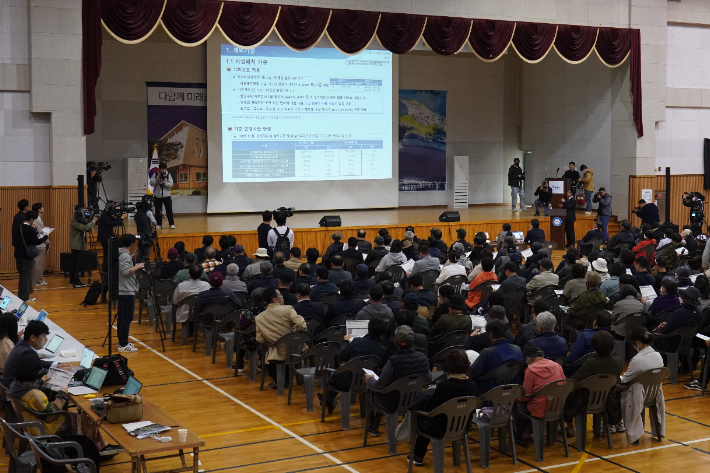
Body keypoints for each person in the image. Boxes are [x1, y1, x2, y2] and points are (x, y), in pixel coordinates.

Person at [10, 353, 112, 453]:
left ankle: (96, 447)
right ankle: (95, 449)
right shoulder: (35, 395)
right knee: (88, 419)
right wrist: (62, 394)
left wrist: (40, 382)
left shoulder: (15, 386)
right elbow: (51, 415)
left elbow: (32, 396)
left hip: (32, 424)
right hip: (47, 427)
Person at [406, 348, 477, 467]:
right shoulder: (472, 385)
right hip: (462, 427)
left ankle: (418, 456)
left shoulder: (444, 386)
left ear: (447, 366)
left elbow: (431, 408)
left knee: (422, 418)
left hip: (440, 429)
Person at [364, 325, 429, 437]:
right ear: (413, 341)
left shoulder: (393, 361)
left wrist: (369, 379)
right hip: (415, 400)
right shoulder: (423, 358)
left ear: (395, 342)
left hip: (392, 403)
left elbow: (380, 386)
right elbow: (428, 379)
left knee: (373, 392)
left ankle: (374, 425)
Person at [319, 318, 387, 414]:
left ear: (368, 328)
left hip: (347, 382)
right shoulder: (383, 349)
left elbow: (343, 355)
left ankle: (327, 399)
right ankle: (327, 399)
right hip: (369, 382)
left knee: (336, 375)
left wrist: (346, 342)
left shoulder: (357, 342)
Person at [255, 287, 307, 388]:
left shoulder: (259, 318)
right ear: (274, 299)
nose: (282, 296)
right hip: (296, 349)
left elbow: (260, 339)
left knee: (267, 353)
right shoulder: (288, 309)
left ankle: (278, 380)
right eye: (280, 295)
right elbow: (301, 325)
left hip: (278, 352)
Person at [619, 327, 664, 445]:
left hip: (638, 396)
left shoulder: (637, 360)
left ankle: (616, 424)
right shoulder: (658, 356)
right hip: (654, 394)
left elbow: (625, 380)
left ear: (637, 342)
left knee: (617, 392)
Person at [515, 344, 565, 447]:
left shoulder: (531, 370)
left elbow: (525, 396)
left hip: (539, 409)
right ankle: (528, 433)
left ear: (528, 359)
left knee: (519, 406)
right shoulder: (557, 366)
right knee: (535, 404)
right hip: (557, 406)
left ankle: (522, 435)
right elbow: (565, 384)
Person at [1, 320, 69, 386]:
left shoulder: (21, 344)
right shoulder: (27, 352)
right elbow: (38, 372)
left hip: (10, 386)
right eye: (44, 336)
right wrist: (60, 372)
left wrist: (55, 365)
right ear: (33, 337)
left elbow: (37, 362)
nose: (46, 339)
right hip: (15, 391)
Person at [470, 319, 523, 389]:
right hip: (512, 391)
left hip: (489, 393)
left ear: (491, 335)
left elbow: (473, 373)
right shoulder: (517, 350)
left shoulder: (487, 353)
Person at [115, 234, 144, 352]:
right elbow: (125, 271)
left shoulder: (121, 253)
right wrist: (138, 266)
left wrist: (133, 256)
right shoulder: (125, 256)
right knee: (126, 318)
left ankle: (123, 341)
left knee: (122, 317)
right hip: (126, 290)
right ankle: (122, 344)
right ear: (132, 244)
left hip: (122, 289)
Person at [653, 287, 702, 353]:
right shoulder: (699, 312)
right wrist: (667, 322)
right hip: (689, 343)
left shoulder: (679, 314)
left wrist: (661, 328)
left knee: (654, 339)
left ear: (685, 300)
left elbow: (665, 331)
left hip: (673, 344)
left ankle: (662, 362)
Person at [13, 211, 48, 301]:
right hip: (27, 255)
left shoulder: (17, 227)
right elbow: (36, 241)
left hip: (18, 254)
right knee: (27, 276)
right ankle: (25, 297)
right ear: (31, 219)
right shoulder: (30, 229)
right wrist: (45, 237)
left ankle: (20, 295)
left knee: (21, 276)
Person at [69, 206, 98, 288]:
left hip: (80, 245)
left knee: (77, 264)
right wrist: (94, 221)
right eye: (84, 211)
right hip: (76, 245)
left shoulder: (81, 220)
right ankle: (75, 281)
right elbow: (85, 228)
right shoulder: (75, 221)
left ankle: (73, 280)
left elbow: (87, 228)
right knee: (76, 264)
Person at [148, 162, 174, 228]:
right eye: (162, 169)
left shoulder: (168, 175)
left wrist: (165, 183)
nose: (163, 171)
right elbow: (151, 183)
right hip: (157, 196)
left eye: (165, 169)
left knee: (169, 210)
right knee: (158, 210)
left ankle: (171, 224)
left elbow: (171, 184)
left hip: (166, 195)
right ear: (159, 169)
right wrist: (157, 179)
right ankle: (159, 224)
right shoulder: (155, 174)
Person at [30, 203, 49, 286]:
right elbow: (41, 232)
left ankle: (35, 279)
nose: (43, 208)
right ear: (39, 209)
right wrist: (46, 240)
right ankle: (37, 280)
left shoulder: (36, 219)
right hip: (40, 244)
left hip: (37, 243)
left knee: (36, 263)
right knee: (38, 263)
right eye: (42, 207)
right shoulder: (37, 219)